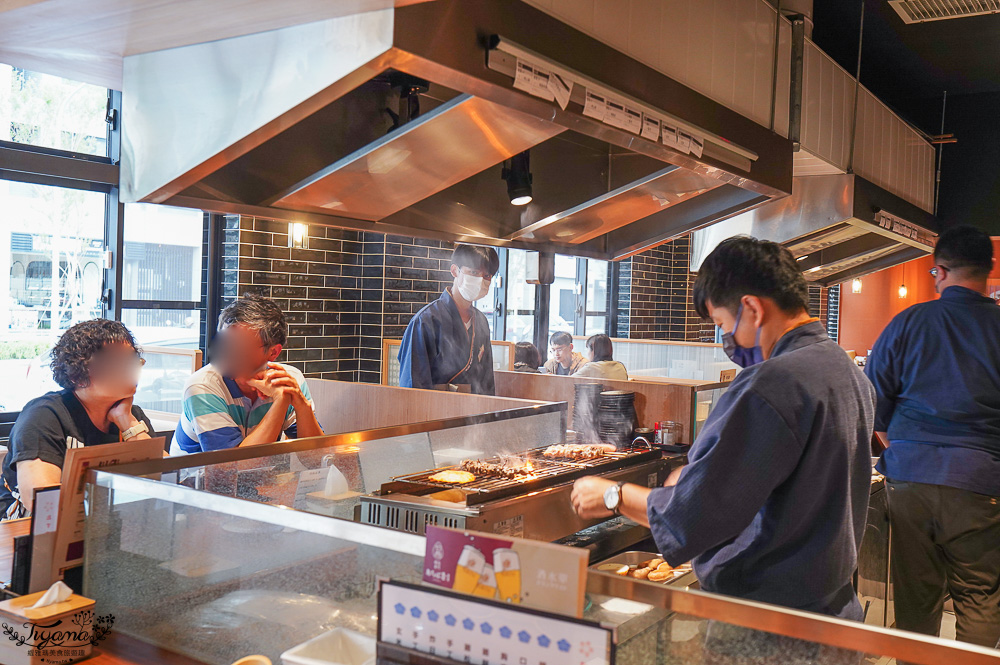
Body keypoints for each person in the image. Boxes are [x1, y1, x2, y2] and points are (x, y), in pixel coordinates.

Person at [571, 236, 875, 620]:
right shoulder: (845, 370)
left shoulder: (771, 384)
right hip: (834, 611)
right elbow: (787, 481)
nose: (725, 339)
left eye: (721, 324)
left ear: (751, 308)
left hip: (769, 624)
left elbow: (693, 516)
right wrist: (702, 474)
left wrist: (613, 494)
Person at [865, 225, 1000, 648]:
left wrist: (907, 451)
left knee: (915, 598)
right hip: (981, 482)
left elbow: (872, 404)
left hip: (910, 481)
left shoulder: (908, 322)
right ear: (988, 272)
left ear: (938, 271)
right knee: (979, 599)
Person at [0, 319, 154, 519]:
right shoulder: (44, 414)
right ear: (77, 375)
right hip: (29, 529)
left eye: (131, 360)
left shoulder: (132, 415)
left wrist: (128, 422)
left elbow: (167, 481)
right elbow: (42, 501)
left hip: (104, 525)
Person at [170, 294, 323, 454]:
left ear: (273, 352)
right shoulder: (202, 386)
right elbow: (232, 466)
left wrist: (302, 406)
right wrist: (281, 401)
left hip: (257, 476)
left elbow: (315, 457)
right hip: (189, 478)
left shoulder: (288, 379)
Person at [398, 244, 500, 394]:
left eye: (486, 276)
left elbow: (487, 380)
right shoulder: (426, 320)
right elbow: (413, 385)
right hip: (434, 409)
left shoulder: (481, 322)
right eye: (474, 272)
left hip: (473, 411)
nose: (480, 280)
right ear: (454, 271)